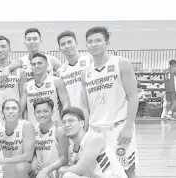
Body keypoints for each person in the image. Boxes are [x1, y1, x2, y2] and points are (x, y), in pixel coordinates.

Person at [81, 26, 138, 178]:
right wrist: (86, 128)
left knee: (127, 170)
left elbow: (133, 96)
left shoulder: (121, 63)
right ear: (86, 45)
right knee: (97, 171)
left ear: (107, 42)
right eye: (90, 42)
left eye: (98, 40)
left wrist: (128, 126)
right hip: (95, 130)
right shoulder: (85, 72)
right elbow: (85, 105)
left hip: (118, 127)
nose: (94, 44)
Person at [58, 107, 128, 178]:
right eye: (64, 122)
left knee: (68, 176)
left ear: (82, 123)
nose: (66, 125)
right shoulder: (71, 149)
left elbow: (78, 170)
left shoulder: (94, 139)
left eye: (71, 121)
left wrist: (61, 169)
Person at [21, 53, 70, 125]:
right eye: (33, 64)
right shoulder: (27, 85)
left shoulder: (56, 81)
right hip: (33, 127)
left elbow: (66, 103)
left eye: (39, 63)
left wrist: (63, 121)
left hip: (54, 126)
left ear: (47, 65)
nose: (36, 66)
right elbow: (21, 109)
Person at [0, 99, 35, 178]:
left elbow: (28, 156)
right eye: (7, 109)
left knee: (20, 167)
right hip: (5, 166)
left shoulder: (26, 126)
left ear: (20, 112)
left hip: (24, 165)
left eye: (14, 108)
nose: (10, 111)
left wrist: (4, 161)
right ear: (2, 113)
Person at [31, 98, 70, 178]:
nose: (41, 115)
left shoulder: (59, 130)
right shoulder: (34, 129)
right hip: (40, 173)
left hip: (54, 172)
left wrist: (47, 170)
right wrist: (33, 160)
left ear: (52, 112)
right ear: (34, 113)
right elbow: (33, 152)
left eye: (45, 111)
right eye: (38, 112)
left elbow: (65, 158)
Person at [56, 30, 92, 113]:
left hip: (92, 111)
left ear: (76, 43)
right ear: (59, 48)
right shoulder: (60, 71)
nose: (67, 46)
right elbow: (65, 100)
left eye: (69, 42)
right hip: (74, 114)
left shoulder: (89, 60)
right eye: (63, 44)